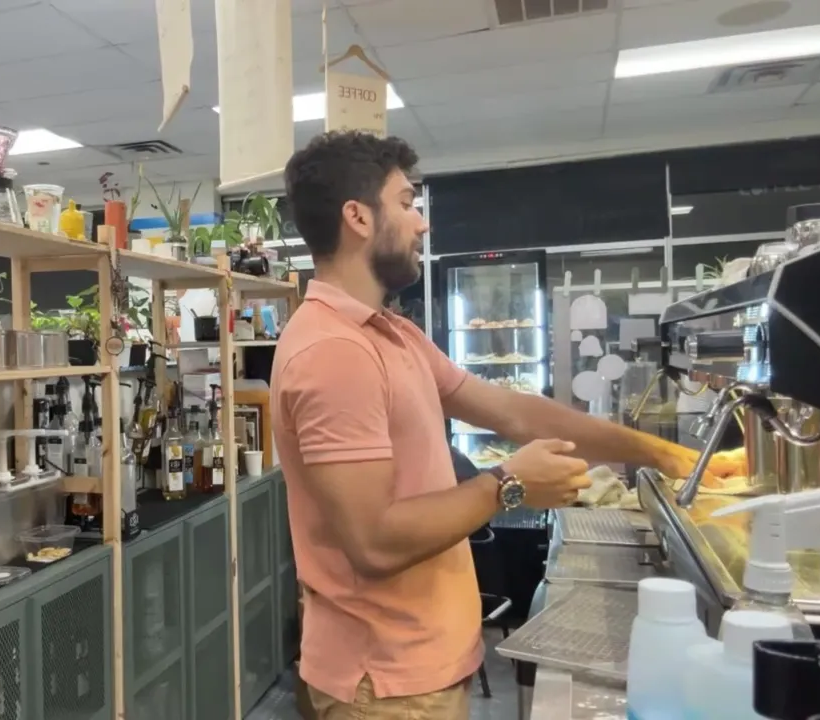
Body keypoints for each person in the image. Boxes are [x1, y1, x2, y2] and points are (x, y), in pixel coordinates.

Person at [271, 130, 742, 719]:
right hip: (384, 684)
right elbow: (373, 543)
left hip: (421, 668)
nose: (422, 223)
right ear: (357, 217)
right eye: (407, 203)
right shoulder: (333, 352)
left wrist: (670, 456)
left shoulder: (393, 334)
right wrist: (508, 484)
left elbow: (516, 411)